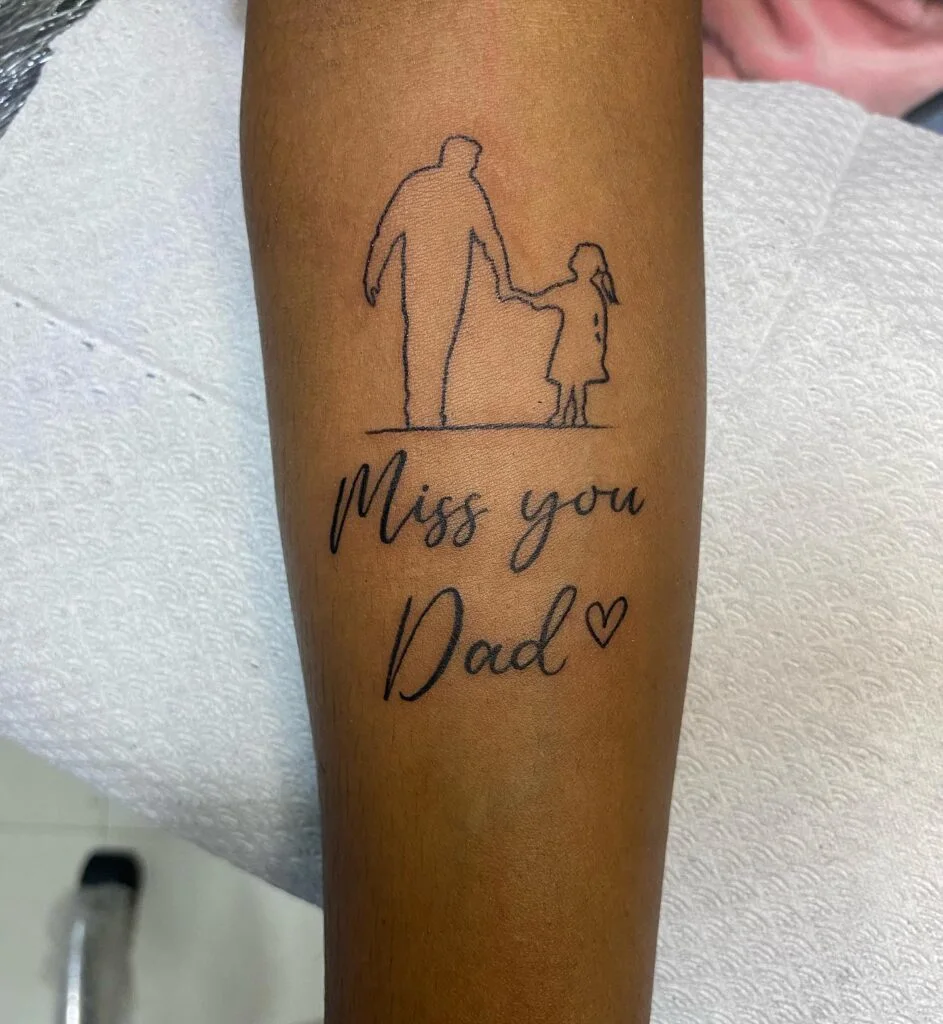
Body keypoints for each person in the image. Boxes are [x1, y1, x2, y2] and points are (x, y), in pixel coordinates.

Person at [241, 1, 704, 1021]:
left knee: (434, 353)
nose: (463, 155)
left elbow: (479, 234)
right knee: (427, 352)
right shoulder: (426, 182)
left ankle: (427, 407)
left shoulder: (449, 189)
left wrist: (499, 281)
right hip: (439, 261)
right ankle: (425, 409)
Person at [363, 135, 515, 428]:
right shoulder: (460, 190)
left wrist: (374, 274)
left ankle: (424, 413)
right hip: (437, 284)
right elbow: (491, 240)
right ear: (459, 158)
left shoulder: (423, 185)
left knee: (424, 342)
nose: (474, 165)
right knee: (432, 343)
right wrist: (503, 280)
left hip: (432, 284)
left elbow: (386, 234)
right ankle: (425, 414)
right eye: (472, 160)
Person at [518, 242, 619, 427]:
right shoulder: (594, 292)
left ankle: (563, 414)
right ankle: (578, 416)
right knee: (577, 384)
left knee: (567, 382)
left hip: (571, 346)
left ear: (581, 264)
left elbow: (541, 300)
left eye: (576, 256)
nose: (572, 258)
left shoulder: (573, 290)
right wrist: (596, 350)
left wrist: (518, 294)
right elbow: (599, 327)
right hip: (586, 347)